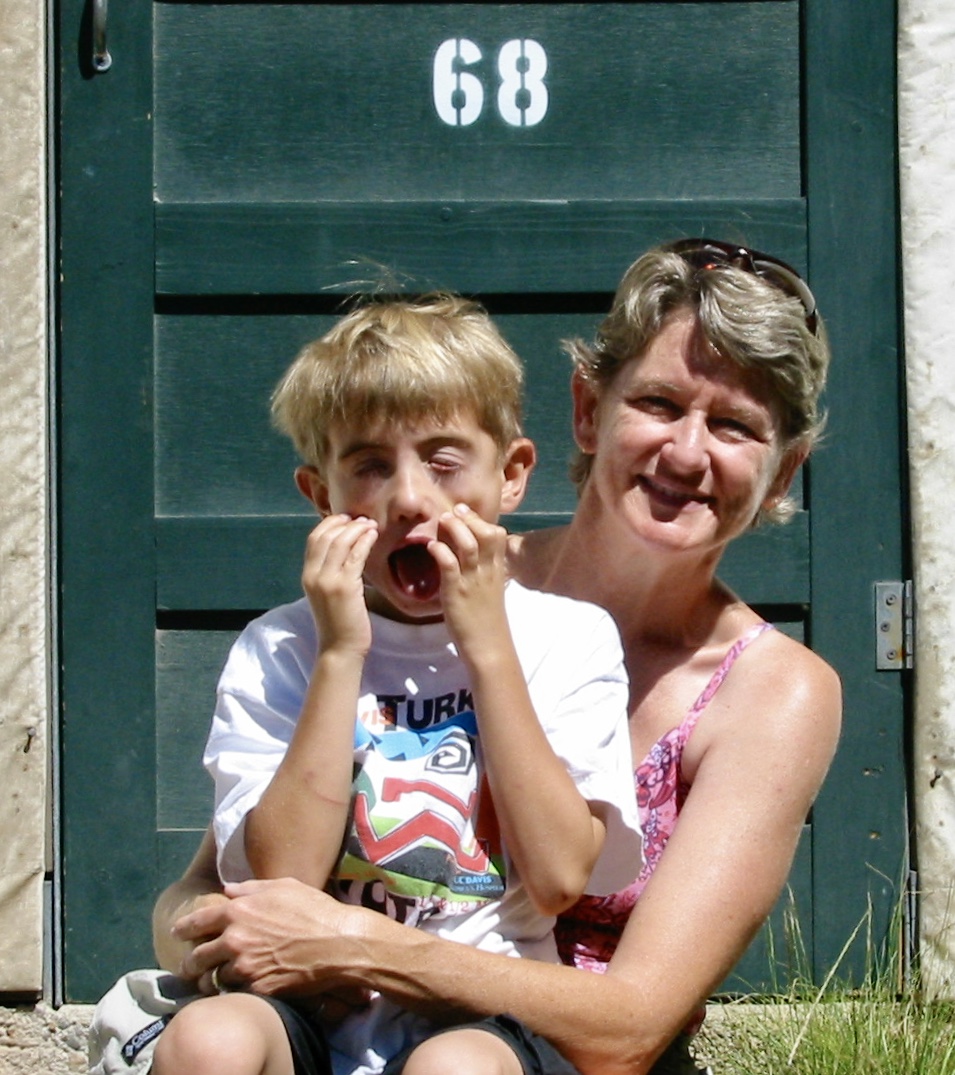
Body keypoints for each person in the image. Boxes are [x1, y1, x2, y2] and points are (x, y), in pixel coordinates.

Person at [155, 239, 843, 1075]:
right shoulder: (412, 586)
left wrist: (356, 943)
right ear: (586, 409)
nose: (686, 452)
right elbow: (220, 881)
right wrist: (201, 944)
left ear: (783, 472)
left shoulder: (770, 691)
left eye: (734, 426)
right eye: (658, 403)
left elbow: (630, 1028)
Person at [148, 294, 642, 1075]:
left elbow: (555, 879)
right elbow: (281, 878)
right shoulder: (282, 648)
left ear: (512, 474)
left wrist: (487, 649)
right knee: (209, 1040)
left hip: (480, 1013)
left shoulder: (566, 638)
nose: (409, 497)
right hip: (305, 1007)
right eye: (370, 465)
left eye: (443, 461)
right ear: (321, 495)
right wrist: (340, 652)